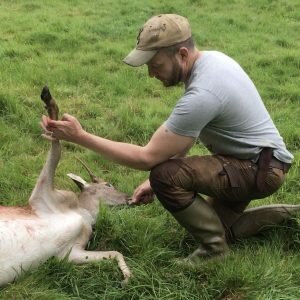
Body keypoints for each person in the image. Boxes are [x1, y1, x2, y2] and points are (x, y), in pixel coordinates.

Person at [41, 14, 299, 263]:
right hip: (257, 162)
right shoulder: (212, 62)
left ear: (182, 54)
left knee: (164, 175)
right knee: (219, 228)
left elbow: (147, 157)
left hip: (259, 169)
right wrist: (149, 184)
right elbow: (185, 138)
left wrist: (81, 136)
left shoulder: (204, 92)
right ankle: (292, 217)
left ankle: (214, 252)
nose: (151, 74)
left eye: (156, 65)